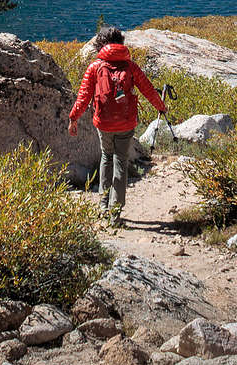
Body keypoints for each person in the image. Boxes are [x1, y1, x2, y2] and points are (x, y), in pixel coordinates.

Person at [68, 26, 167, 222]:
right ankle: (116, 211)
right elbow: (147, 89)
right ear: (120, 42)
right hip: (126, 123)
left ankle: (103, 205)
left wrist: (73, 119)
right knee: (120, 161)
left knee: (106, 157)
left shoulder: (95, 67)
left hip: (103, 123)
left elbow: (83, 97)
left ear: (101, 44)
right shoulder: (130, 66)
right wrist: (161, 107)